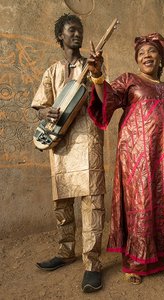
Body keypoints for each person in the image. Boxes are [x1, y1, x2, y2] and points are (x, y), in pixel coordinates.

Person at [87, 33, 164, 284]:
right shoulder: (129, 80)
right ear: (137, 60)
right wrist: (98, 75)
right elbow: (107, 101)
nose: (146, 56)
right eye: (141, 53)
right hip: (136, 157)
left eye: (152, 52)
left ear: (161, 58)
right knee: (140, 205)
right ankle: (136, 261)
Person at [31, 14, 106, 293]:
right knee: (62, 201)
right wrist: (44, 112)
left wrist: (97, 73)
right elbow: (40, 105)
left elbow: (101, 97)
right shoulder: (52, 71)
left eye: (80, 30)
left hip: (87, 139)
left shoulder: (93, 64)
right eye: (71, 30)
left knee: (92, 202)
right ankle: (65, 252)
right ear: (60, 36)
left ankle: (92, 264)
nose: (77, 34)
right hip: (60, 142)